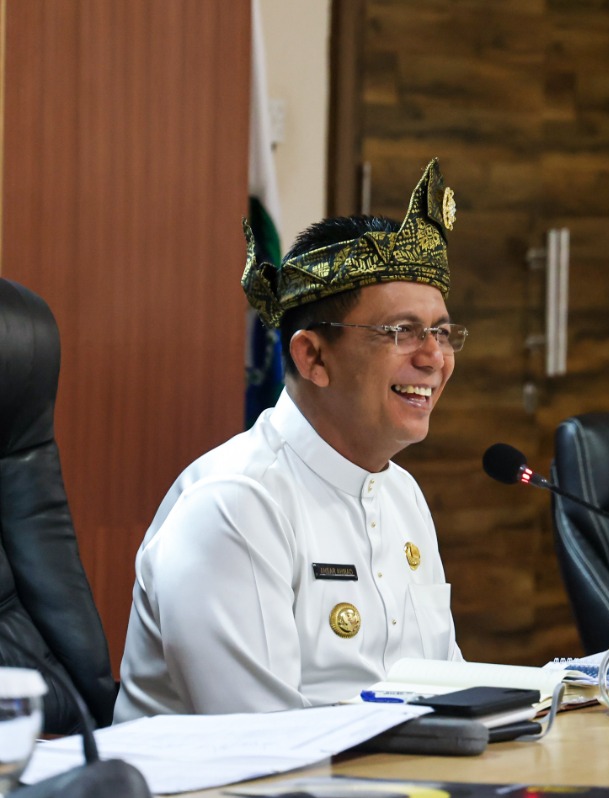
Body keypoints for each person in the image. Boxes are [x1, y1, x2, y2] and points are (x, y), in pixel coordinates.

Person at [115, 160, 467, 720]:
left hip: (390, 795)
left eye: (442, 333)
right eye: (401, 333)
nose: (433, 358)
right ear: (312, 357)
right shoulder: (236, 503)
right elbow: (265, 746)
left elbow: (450, 696)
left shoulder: (403, 496)